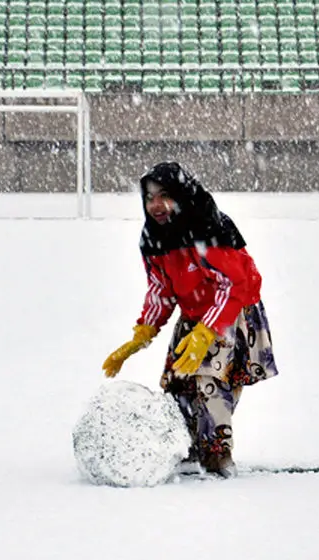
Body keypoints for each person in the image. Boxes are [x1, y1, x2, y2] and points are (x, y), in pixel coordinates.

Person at [101, 162, 278, 479]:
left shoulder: (207, 227)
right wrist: (142, 334)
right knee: (178, 382)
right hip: (194, 312)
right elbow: (161, 289)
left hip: (231, 312)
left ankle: (217, 456)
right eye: (150, 197)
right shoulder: (154, 237)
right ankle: (188, 447)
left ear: (181, 196)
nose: (156, 205)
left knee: (210, 380)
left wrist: (207, 333)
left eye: (165, 196)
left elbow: (233, 285)